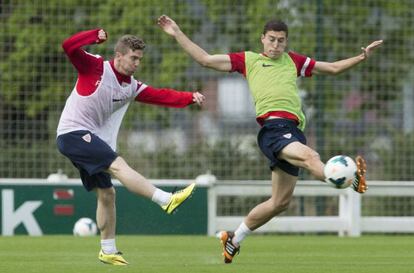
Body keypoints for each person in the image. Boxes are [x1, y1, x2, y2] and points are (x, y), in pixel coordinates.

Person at [157, 15, 383, 264]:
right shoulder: (249, 60)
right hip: (274, 129)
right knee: (310, 156)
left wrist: (361, 57)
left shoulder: (293, 61)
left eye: (281, 41)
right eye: (272, 40)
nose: (276, 45)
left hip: (293, 130)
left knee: (279, 202)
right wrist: (177, 31)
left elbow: (331, 68)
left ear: (286, 43)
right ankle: (350, 180)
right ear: (262, 39)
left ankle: (234, 238)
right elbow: (205, 59)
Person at [57, 28, 205, 266]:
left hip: (86, 139)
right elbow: (68, 46)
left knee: (107, 193)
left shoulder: (131, 87)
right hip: (72, 133)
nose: (137, 63)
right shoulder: (94, 67)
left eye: (140, 59)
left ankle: (108, 250)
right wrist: (95, 35)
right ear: (118, 56)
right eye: (133, 58)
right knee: (118, 165)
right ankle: (165, 199)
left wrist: (190, 97)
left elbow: (162, 96)